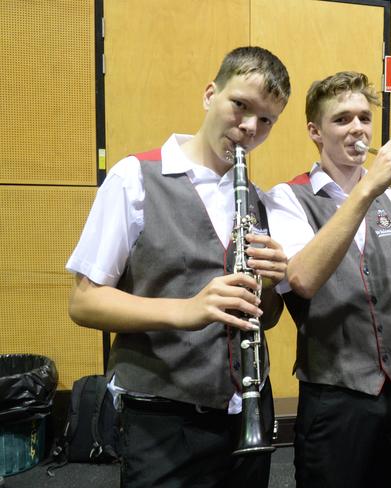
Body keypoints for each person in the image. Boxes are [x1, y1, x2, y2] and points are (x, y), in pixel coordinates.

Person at [65, 46, 291, 488]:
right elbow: (84, 302)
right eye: (240, 106)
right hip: (164, 420)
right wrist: (185, 310)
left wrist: (271, 284)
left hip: (247, 411)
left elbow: (268, 319)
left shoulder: (256, 199)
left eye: (266, 120)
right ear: (211, 94)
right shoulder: (134, 178)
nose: (249, 128)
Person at [266, 71, 391, 488]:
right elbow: (303, 279)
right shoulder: (286, 197)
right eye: (342, 119)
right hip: (335, 394)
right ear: (315, 131)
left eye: (364, 118)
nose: (357, 130)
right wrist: (368, 190)